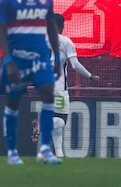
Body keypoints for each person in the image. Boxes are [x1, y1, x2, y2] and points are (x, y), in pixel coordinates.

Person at [0, 0, 62, 165]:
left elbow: (51, 28)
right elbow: (1, 32)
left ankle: (44, 150)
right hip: (17, 58)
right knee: (13, 101)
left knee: (49, 94)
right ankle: (12, 153)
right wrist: (8, 60)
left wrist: (57, 57)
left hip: (41, 57)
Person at [43, 13, 100, 157]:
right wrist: (90, 76)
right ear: (61, 26)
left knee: (57, 121)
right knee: (61, 120)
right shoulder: (65, 42)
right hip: (59, 86)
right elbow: (75, 65)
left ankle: (59, 154)